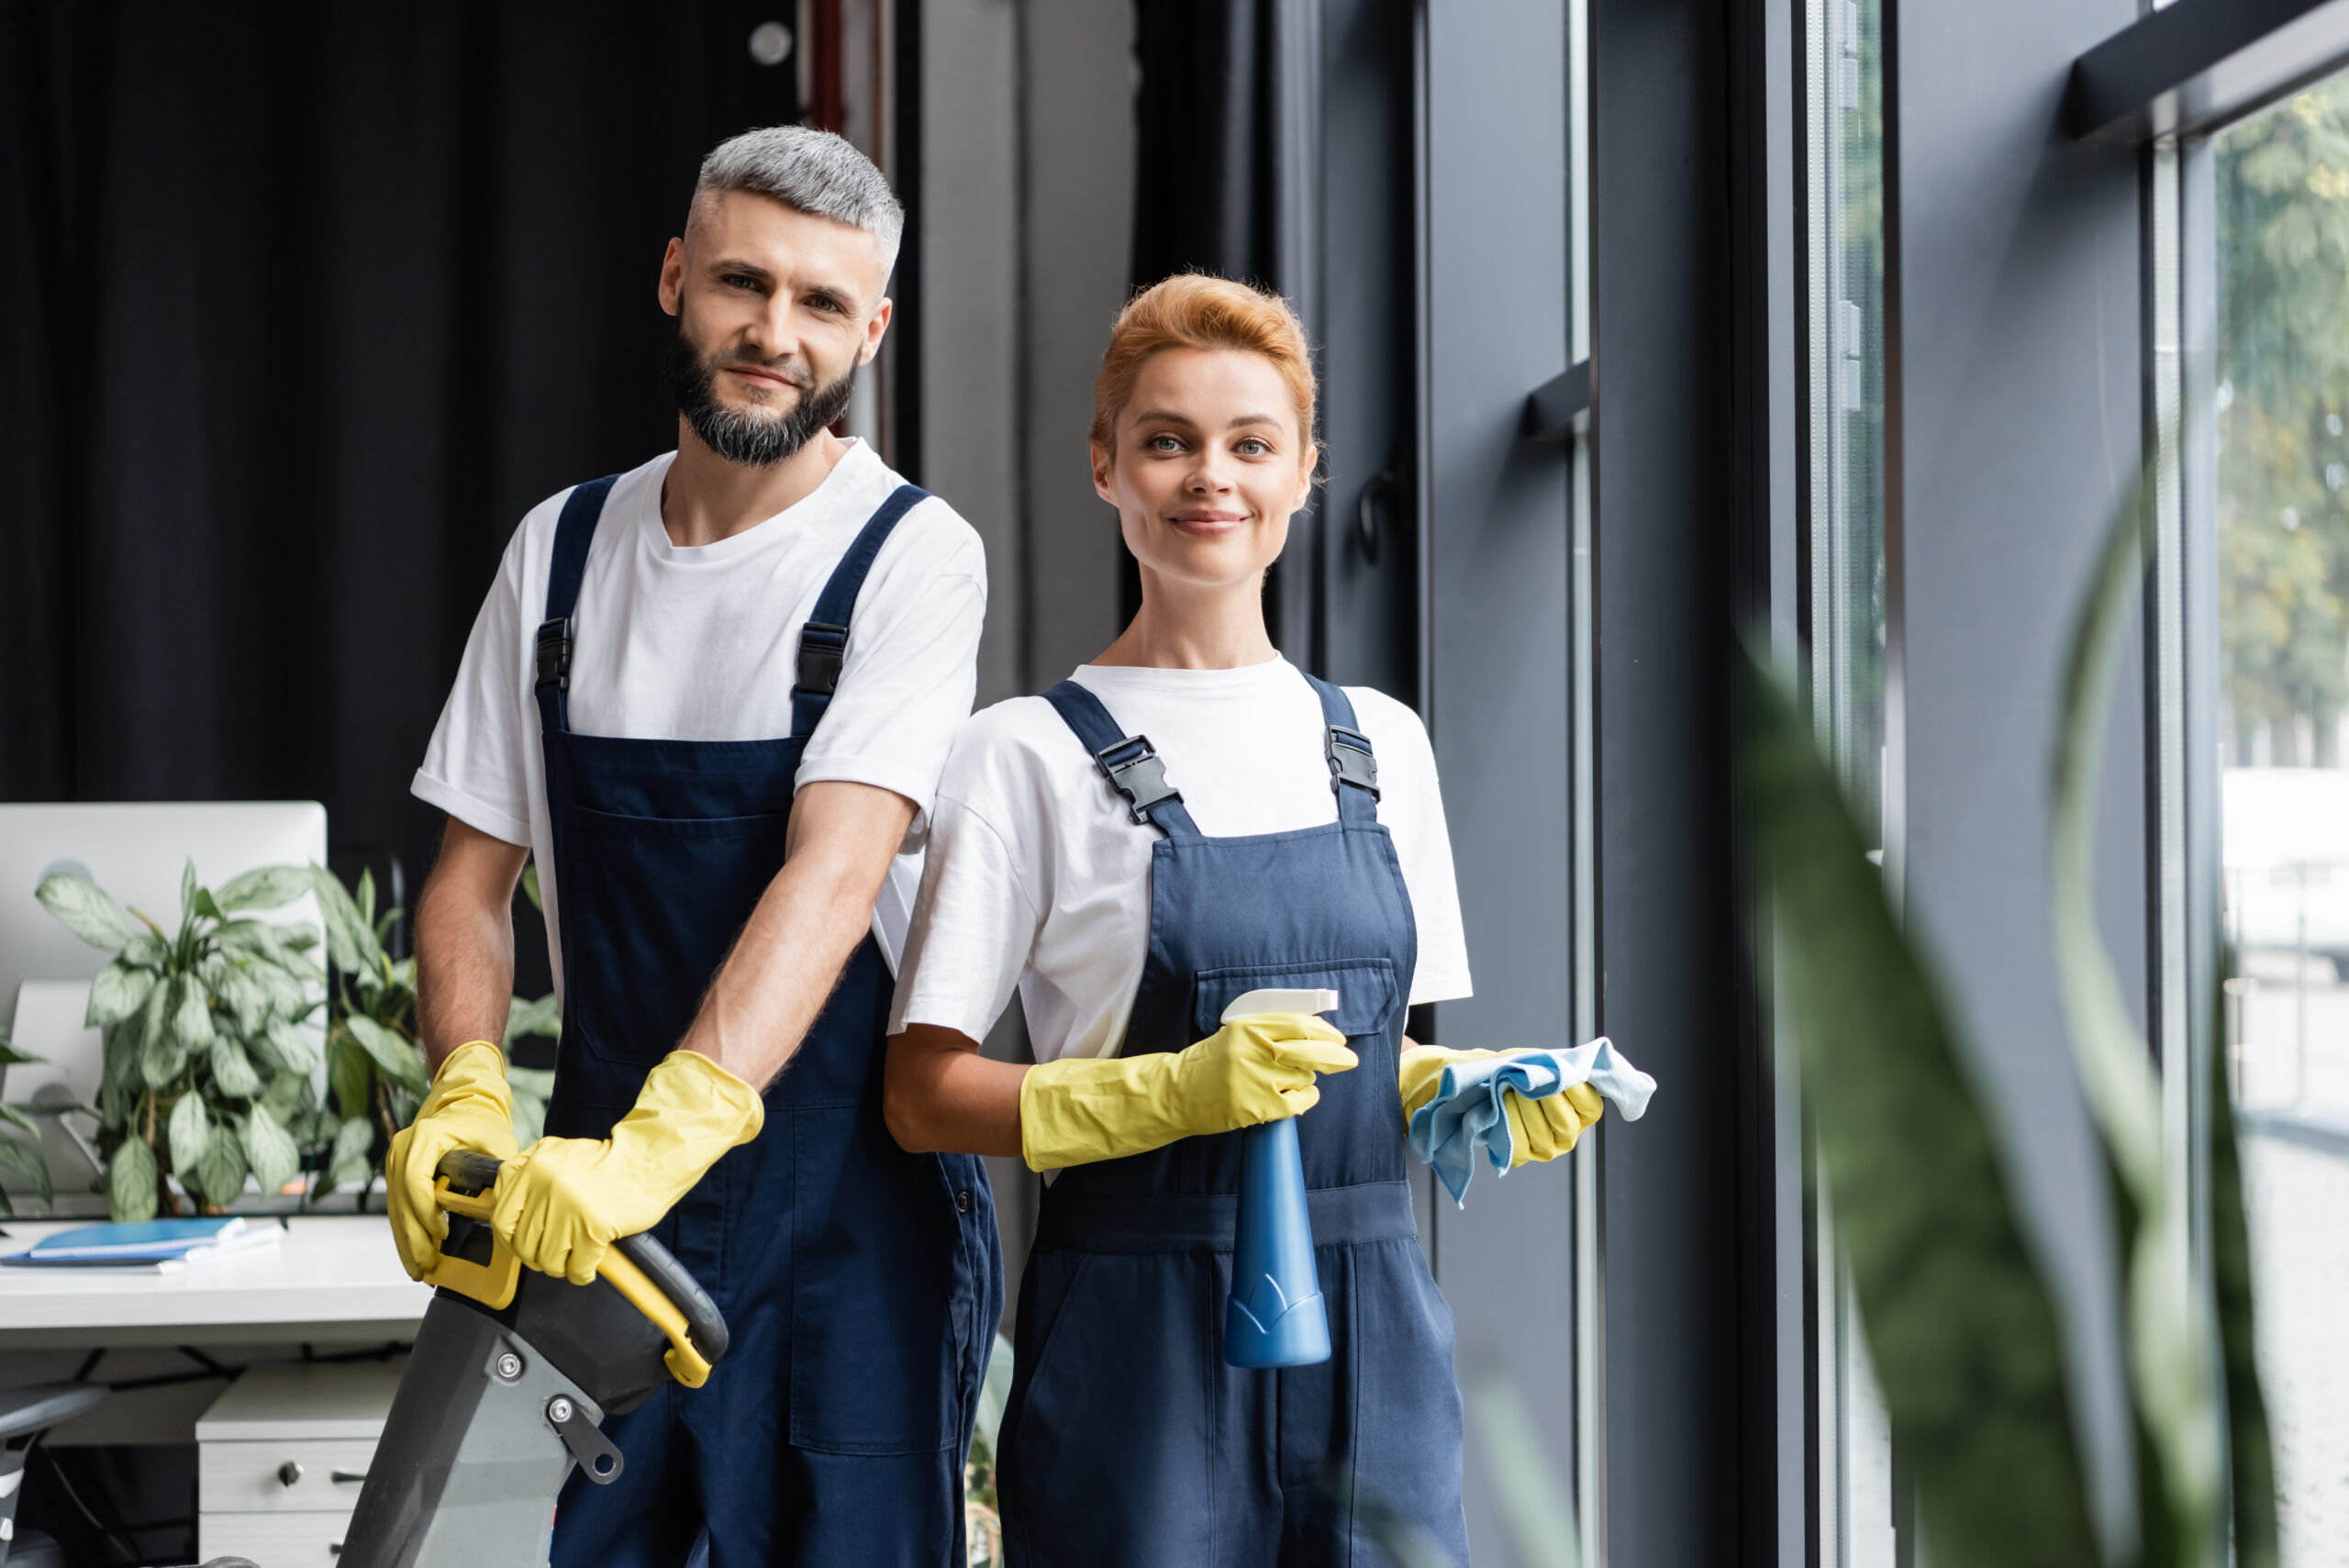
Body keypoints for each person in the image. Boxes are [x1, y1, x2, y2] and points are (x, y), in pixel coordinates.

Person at [882, 273, 1603, 1565]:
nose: (1210, 476)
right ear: (1105, 466)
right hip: (1133, 1343)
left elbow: (1368, 1062)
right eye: (1167, 440)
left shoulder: (1379, 745)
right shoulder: (1026, 755)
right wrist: (1164, 1095)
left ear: (1305, 471)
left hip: (1373, 1331)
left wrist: (1469, 1086)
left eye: (1250, 443)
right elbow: (922, 1092)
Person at [389, 126, 1001, 1567]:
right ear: (675, 277)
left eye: (822, 305)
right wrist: (471, 1088)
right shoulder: (561, 550)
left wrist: (674, 1136)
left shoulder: (913, 555)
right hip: (589, 1217)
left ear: (872, 332)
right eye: (742, 282)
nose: (774, 333)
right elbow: (471, 879)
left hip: (848, 1221)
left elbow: (836, 873)